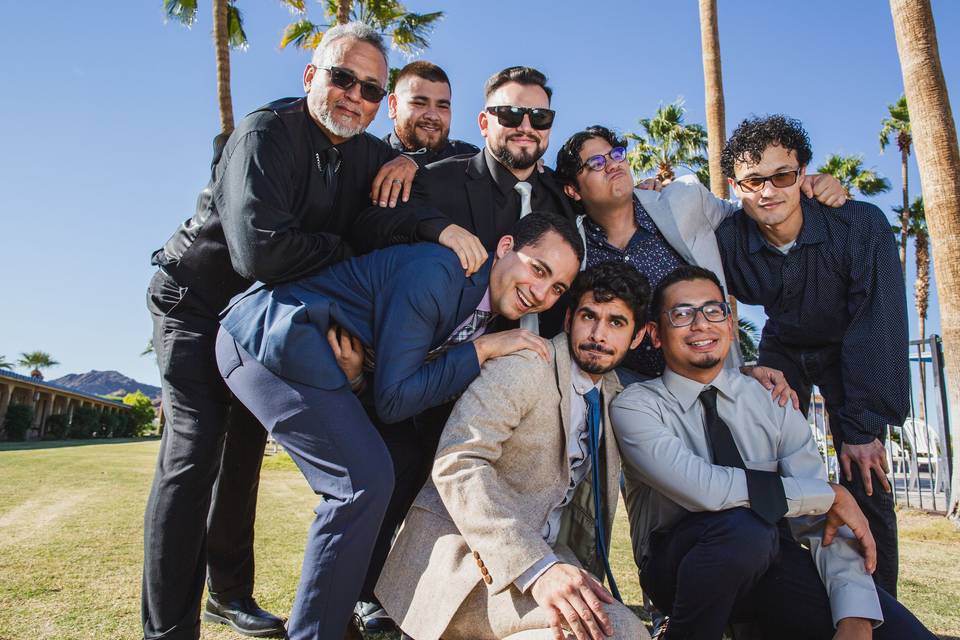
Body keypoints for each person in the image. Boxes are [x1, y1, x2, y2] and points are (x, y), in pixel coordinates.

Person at [142, 21, 482, 640]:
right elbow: (261, 254)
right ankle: (167, 629)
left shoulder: (369, 151)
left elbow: (407, 208)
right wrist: (346, 248)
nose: (355, 95)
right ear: (311, 77)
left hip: (263, 320)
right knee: (192, 457)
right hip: (198, 301)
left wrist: (434, 222)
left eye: (372, 89)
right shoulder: (267, 133)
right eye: (343, 78)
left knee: (242, 456)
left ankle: (230, 595)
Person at [216, 212, 584, 640]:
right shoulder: (438, 274)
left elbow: (399, 384)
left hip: (320, 362)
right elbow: (395, 400)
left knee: (392, 466)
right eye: (538, 269)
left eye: (557, 287)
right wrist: (481, 350)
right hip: (270, 334)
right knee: (362, 481)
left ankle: (341, 616)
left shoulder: (485, 306)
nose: (541, 292)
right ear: (505, 248)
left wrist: (359, 379)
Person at [355, 65, 581, 630]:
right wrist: (437, 225)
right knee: (404, 476)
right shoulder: (440, 177)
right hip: (443, 366)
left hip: (535, 377)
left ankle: (518, 595)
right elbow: (370, 227)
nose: (525, 125)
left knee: (528, 489)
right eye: (510, 114)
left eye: (539, 116)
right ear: (485, 121)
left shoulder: (561, 194)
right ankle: (369, 596)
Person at [611, 266, 933, 639]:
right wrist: (828, 495)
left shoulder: (772, 399)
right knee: (747, 528)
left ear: (730, 325)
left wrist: (854, 617)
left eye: (713, 311)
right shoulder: (636, 406)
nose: (700, 324)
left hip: (772, 564)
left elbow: (822, 524)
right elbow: (707, 489)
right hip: (678, 568)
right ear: (655, 333)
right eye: (681, 314)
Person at [376, 261, 653, 640]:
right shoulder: (527, 365)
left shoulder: (612, 394)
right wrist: (536, 567)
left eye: (616, 323)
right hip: (466, 561)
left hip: (548, 555)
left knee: (617, 629)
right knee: (616, 632)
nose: (598, 334)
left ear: (637, 338)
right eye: (589, 316)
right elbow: (459, 461)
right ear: (570, 318)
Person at [715, 115, 909, 596]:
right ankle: (781, 596)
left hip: (850, 351)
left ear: (804, 174)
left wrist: (862, 426)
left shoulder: (859, 226)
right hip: (784, 346)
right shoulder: (729, 241)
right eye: (753, 180)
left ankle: (879, 606)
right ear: (735, 186)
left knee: (865, 474)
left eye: (783, 175)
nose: (769, 191)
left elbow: (878, 322)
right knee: (762, 462)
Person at [553, 125, 848, 385]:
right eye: (595, 162)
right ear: (573, 190)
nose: (612, 164)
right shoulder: (574, 250)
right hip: (627, 393)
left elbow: (752, 214)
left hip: (712, 382)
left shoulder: (684, 200)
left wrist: (800, 186)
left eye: (616, 154)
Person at [382, 60, 479, 166]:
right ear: (394, 105)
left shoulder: (471, 160)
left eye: (442, 106)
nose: (432, 116)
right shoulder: (370, 161)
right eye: (419, 103)